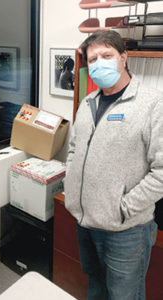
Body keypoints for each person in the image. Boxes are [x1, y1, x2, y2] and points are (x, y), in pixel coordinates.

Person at [64, 30, 163, 300]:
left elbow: (162, 171)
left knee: (124, 295)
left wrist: (124, 208)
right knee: (95, 287)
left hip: (125, 230)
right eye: (92, 59)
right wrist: (71, 188)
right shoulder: (87, 103)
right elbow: (74, 149)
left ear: (123, 57)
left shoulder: (153, 103)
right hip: (85, 221)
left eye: (106, 55)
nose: (99, 63)